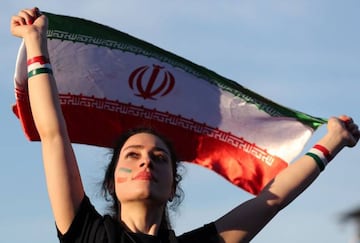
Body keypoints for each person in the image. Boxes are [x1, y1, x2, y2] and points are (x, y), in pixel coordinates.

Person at [10, 7, 360, 243]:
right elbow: (54, 134)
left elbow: (271, 199)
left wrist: (332, 140)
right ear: (111, 183)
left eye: (160, 158)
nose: (147, 161)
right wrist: (36, 43)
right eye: (132, 156)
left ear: (173, 187)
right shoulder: (86, 230)